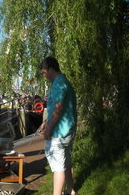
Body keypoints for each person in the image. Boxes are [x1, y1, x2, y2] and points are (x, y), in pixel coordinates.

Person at [39, 56, 77, 195]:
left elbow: (59, 108)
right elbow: (61, 107)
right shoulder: (64, 81)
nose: (44, 76)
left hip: (59, 132)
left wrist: (48, 129)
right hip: (68, 130)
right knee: (66, 162)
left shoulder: (58, 84)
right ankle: (70, 190)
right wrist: (45, 122)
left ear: (50, 69)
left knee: (58, 166)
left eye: (44, 72)